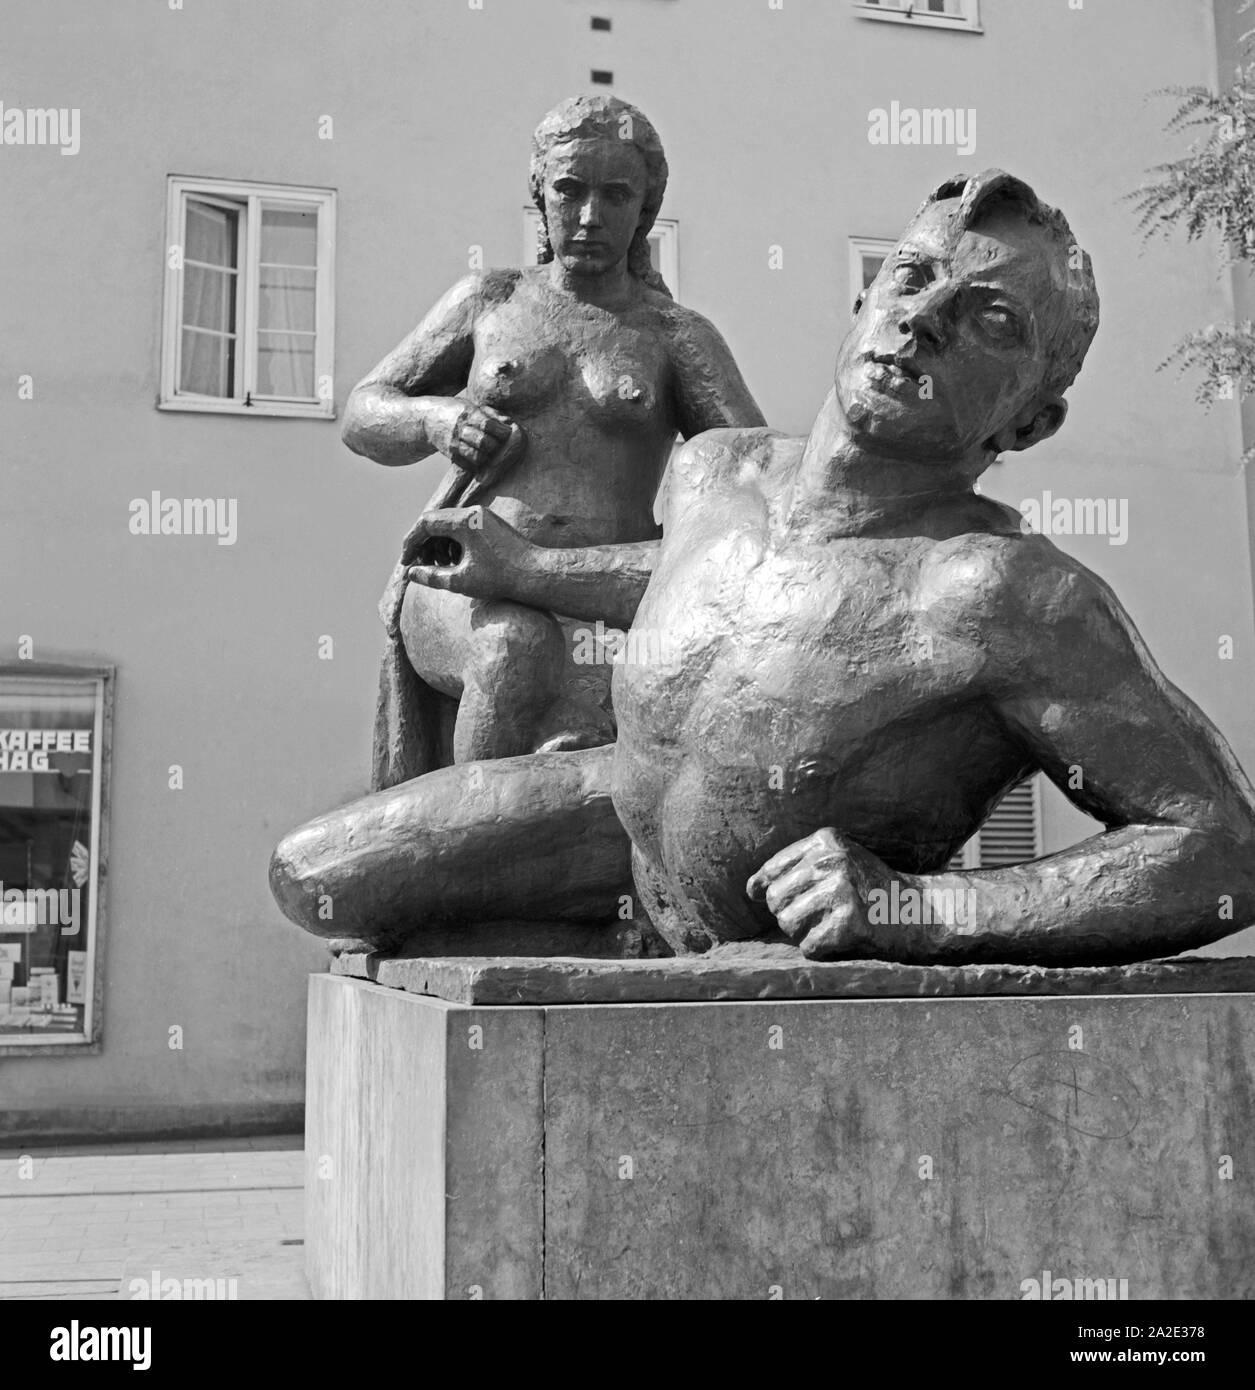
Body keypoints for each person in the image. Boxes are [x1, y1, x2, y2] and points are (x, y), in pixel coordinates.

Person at [273, 169, 1255, 967]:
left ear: (1030, 419)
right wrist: (525, 567)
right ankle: (608, 948)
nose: (924, 320)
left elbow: (1221, 848)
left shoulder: (1008, 594)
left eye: (989, 320)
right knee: (318, 875)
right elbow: (704, 581)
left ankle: (620, 971)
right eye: (910, 278)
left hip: (766, 919)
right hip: (613, 818)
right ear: (864, 300)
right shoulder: (717, 471)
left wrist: (922, 908)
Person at [341, 95, 764, 786]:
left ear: (644, 210)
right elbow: (363, 413)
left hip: (606, 593)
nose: (590, 216)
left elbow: (750, 478)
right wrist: (436, 421)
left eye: (615, 195)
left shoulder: (674, 336)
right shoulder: (490, 301)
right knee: (512, 646)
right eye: (569, 190)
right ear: (540, 194)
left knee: (632, 689)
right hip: (465, 581)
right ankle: (470, 857)